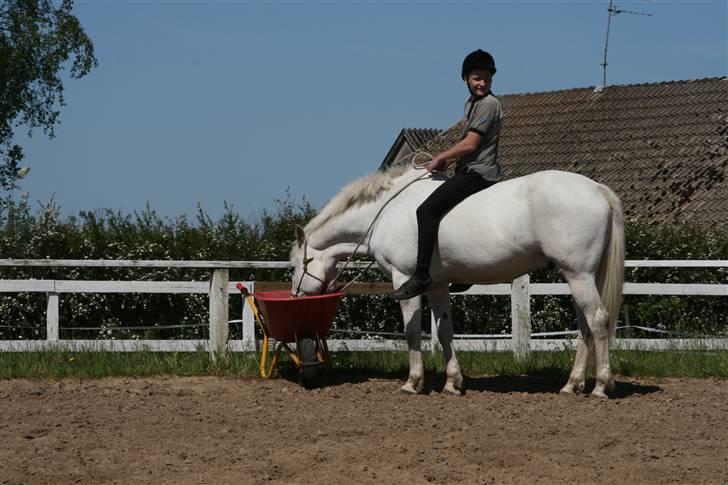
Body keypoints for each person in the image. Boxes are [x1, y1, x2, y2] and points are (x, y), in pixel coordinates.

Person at [392, 49, 503, 300]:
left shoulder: (488, 104)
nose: (482, 83)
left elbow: (471, 144)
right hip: (468, 170)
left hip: (478, 174)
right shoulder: (472, 104)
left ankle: (421, 275)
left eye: (487, 78)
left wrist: (442, 156)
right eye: (477, 77)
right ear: (465, 78)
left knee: (426, 211)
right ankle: (462, 270)